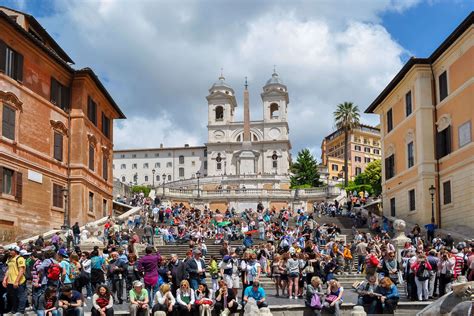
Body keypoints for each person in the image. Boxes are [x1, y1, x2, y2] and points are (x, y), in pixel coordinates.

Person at [3, 246, 27, 315]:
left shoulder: (20, 258)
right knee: (13, 297)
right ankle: (14, 310)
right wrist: (5, 279)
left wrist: (17, 281)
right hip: (11, 282)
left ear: (16, 251)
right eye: (10, 250)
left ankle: (20, 311)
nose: (10, 251)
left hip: (19, 282)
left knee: (21, 296)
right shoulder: (9, 259)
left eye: (11, 250)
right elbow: (8, 270)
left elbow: (21, 271)